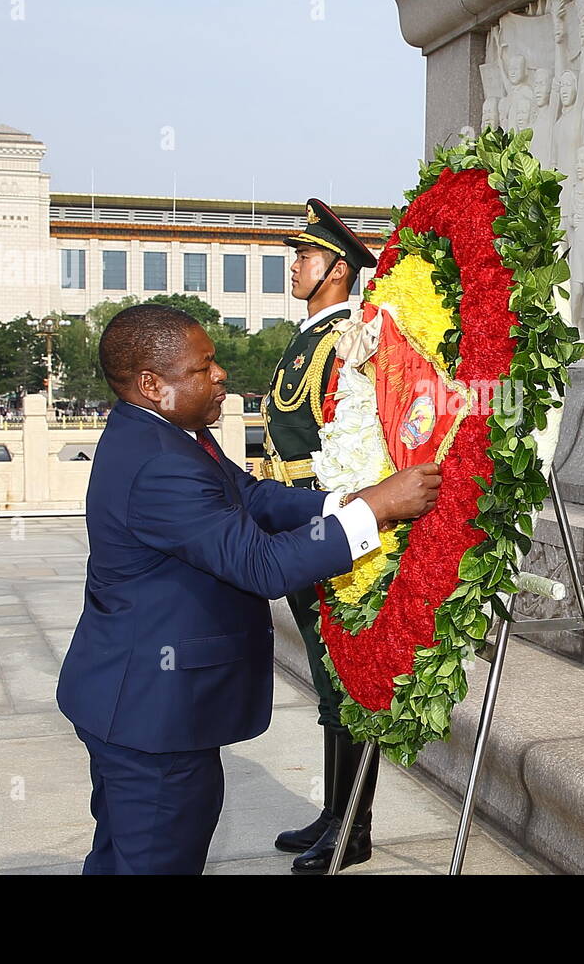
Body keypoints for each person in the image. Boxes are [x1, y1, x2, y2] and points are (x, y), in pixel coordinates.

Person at [56, 303, 440, 874]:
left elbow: (253, 497)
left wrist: (350, 501)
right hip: (149, 714)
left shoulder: (168, 434)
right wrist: (378, 512)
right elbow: (261, 565)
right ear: (150, 384)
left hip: (138, 704)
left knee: (124, 855)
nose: (219, 376)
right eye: (202, 367)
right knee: (156, 858)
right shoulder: (159, 463)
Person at [263, 198, 382, 873]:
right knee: (326, 677)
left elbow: (355, 444)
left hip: (330, 527)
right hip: (300, 523)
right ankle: (335, 814)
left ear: (338, 269)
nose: (296, 266)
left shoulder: (347, 341)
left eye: (305, 256)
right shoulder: (310, 335)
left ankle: (353, 829)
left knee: (346, 680)